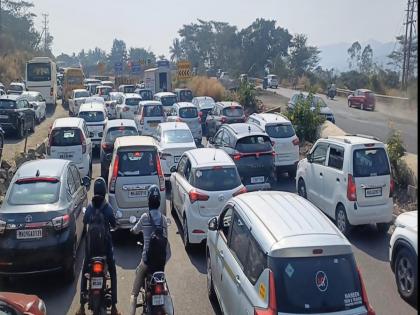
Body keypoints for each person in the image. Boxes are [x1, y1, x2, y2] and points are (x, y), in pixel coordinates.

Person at [76, 177, 121, 315]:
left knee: (84, 272)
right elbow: (114, 224)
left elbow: (84, 220)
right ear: (105, 191)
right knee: (112, 271)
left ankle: (81, 307)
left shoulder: (89, 207)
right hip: (105, 250)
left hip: (91, 251)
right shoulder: (107, 208)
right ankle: (113, 307)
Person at [129, 185, 171, 315]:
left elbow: (135, 230)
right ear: (159, 201)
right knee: (165, 287)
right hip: (159, 264)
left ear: (148, 201)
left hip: (146, 262)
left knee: (134, 293)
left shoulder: (144, 218)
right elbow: (166, 240)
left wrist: (131, 230)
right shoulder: (163, 220)